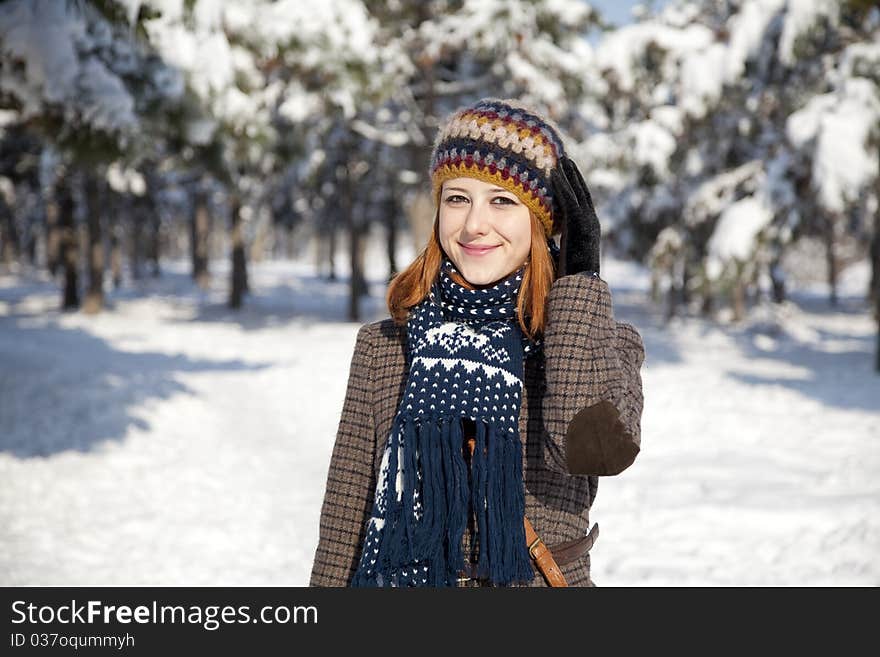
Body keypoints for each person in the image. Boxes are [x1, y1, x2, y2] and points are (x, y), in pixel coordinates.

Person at [309, 98, 645, 587]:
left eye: (502, 201)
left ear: (542, 221)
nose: (472, 225)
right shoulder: (383, 348)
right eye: (457, 198)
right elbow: (344, 521)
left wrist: (580, 280)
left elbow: (592, 451)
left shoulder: (597, 342)